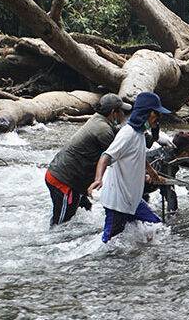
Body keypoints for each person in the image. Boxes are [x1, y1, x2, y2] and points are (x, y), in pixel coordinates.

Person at [89, 92, 170, 243]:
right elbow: (105, 156)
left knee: (157, 227)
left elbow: (139, 155)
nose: (158, 118)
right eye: (156, 114)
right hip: (118, 202)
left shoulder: (139, 133)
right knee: (109, 244)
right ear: (146, 113)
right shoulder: (128, 134)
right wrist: (98, 179)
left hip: (132, 199)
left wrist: (153, 174)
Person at [45, 93, 131, 227]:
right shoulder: (103, 129)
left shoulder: (98, 119)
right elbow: (117, 157)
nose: (124, 115)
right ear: (114, 112)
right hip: (63, 180)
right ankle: (49, 245)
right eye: (122, 111)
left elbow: (115, 133)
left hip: (66, 177)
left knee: (84, 208)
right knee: (60, 225)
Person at [146, 131, 189, 213]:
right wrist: (173, 215)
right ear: (184, 153)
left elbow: (188, 161)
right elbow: (170, 195)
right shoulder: (166, 163)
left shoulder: (170, 152)